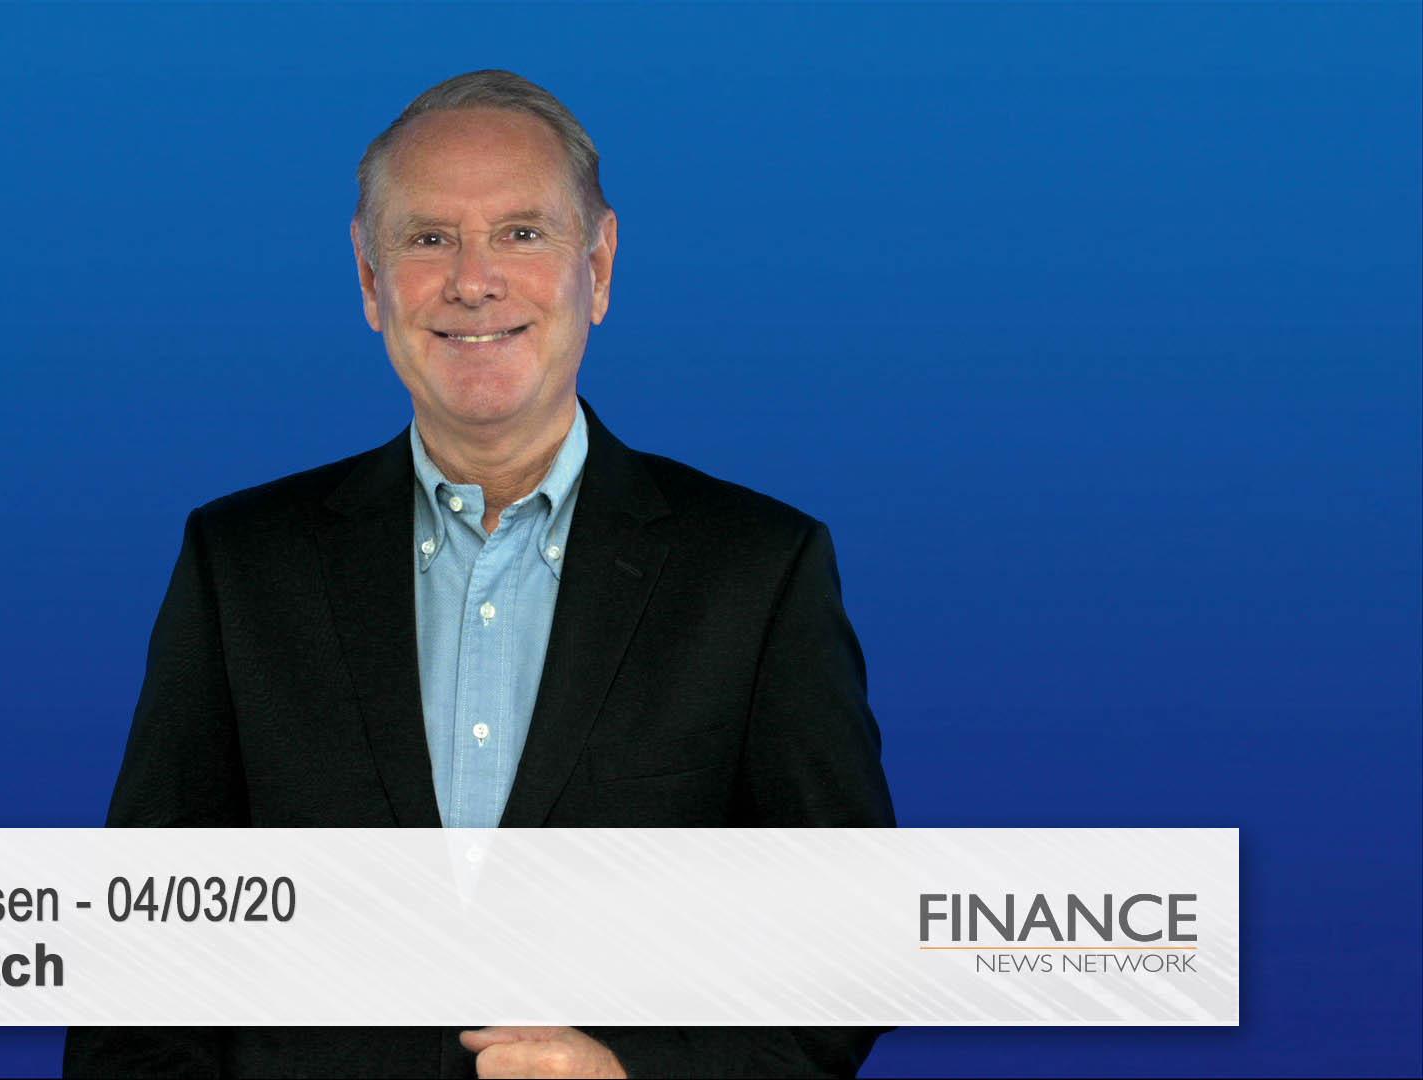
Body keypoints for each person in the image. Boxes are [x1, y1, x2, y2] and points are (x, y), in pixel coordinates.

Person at [63, 70, 894, 1079]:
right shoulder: (238, 565)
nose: (472, 280)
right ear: (371, 282)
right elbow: (140, 961)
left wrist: (634, 1073)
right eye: (427, 239)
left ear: (599, 266)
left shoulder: (757, 572)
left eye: (522, 233)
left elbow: (850, 953)